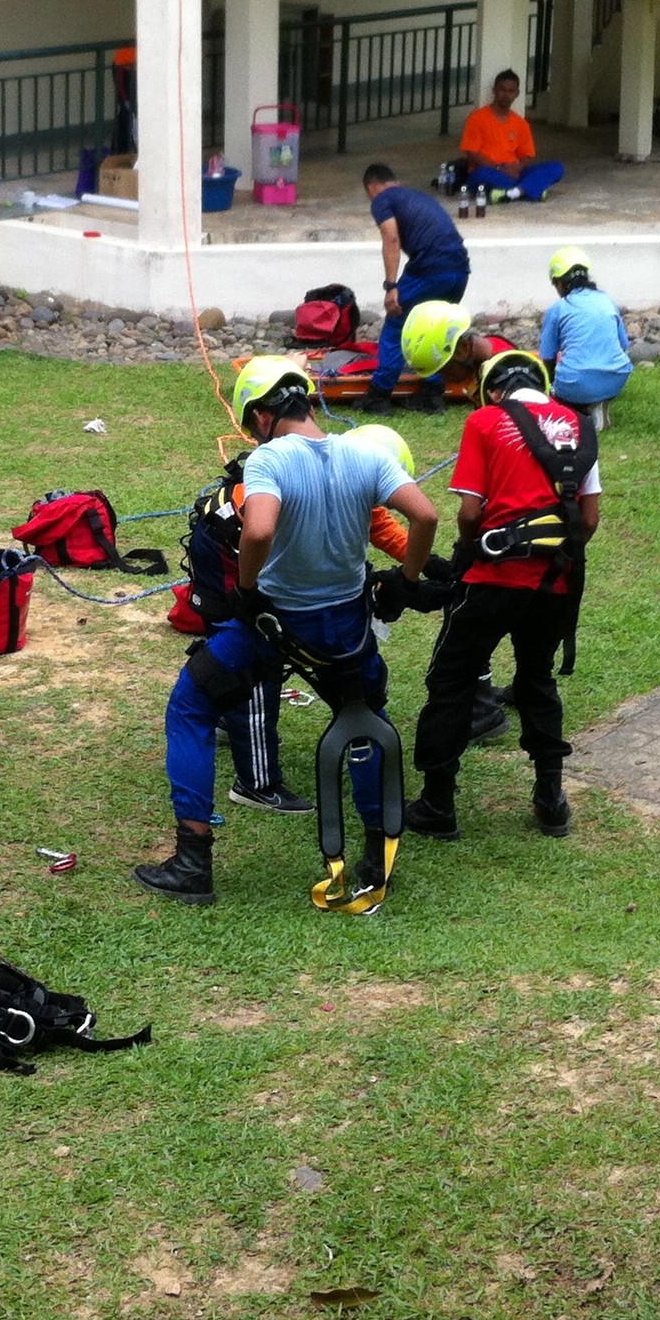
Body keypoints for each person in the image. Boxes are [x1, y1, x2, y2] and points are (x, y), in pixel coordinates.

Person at [135, 357, 437, 911]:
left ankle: (193, 860)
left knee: (191, 705)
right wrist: (408, 582)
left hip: (275, 626)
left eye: (252, 425)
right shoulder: (364, 452)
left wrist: (247, 590)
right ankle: (375, 857)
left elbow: (261, 527)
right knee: (366, 719)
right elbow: (426, 516)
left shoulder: (271, 460)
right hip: (345, 630)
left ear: (264, 414)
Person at [182, 421, 425, 816]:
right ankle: (257, 782)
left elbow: (390, 532)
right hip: (227, 552)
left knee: (313, 664)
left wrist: (427, 570)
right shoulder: (299, 484)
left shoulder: (344, 477)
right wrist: (247, 595)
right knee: (258, 666)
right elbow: (259, 536)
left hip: (254, 557)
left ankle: (231, 723)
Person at [406, 350, 601, 842]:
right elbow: (590, 519)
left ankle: (438, 804)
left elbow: (470, 514)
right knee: (536, 678)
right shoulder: (580, 425)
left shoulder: (487, 422)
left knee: (451, 680)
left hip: (492, 580)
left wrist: (473, 553)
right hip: (555, 584)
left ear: (494, 390)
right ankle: (551, 799)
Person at [364, 163, 471, 412]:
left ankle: (379, 396)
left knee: (398, 322)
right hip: (459, 269)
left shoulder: (382, 199)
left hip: (430, 267)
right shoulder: (417, 196)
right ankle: (433, 395)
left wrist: (391, 286)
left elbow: (391, 238)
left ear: (373, 187)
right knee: (437, 329)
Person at [540, 245, 634, 427]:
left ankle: (582, 409)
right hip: (616, 378)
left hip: (574, 383)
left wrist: (552, 385)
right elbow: (623, 345)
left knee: (561, 393)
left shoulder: (558, 309)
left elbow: (548, 357)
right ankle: (598, 401)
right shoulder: (608, 300)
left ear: (560, 283)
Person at [456, 69, 567, 202]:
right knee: (481, 175)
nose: (506, 95)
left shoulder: (521, 123)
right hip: (489, 171)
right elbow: (471, 152)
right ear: (494, 91)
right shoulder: (477, 118)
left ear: (517, 94)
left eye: (511, 91)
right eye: (502, 90)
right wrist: (499, 168)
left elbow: (526, 155)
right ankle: (530, 189)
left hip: (514, 172)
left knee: (557, 168)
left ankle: (514, 192)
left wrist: (517, 167)